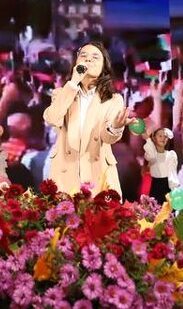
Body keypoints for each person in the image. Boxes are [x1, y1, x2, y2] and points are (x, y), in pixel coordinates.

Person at [42, 42, 128, 195]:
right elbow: (52, 118)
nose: (88, 60)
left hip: (98, 170)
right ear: (76, 64)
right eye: (84, 56)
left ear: (104, 67)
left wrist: (116, 126)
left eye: (95, 57)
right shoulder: (61, 93)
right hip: (65, 171)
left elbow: (108, 138)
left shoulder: (113, 99)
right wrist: (73, 83)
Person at [142, 127, 179, 199]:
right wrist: (148, 139)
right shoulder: (150, 154)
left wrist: (175, 189)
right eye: (160, 136)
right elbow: (153, 156)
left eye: (165, 137)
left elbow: (172, 174)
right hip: (156, 188)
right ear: (154, 138)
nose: (163, 138)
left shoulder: (171, 155)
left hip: (168, 188)